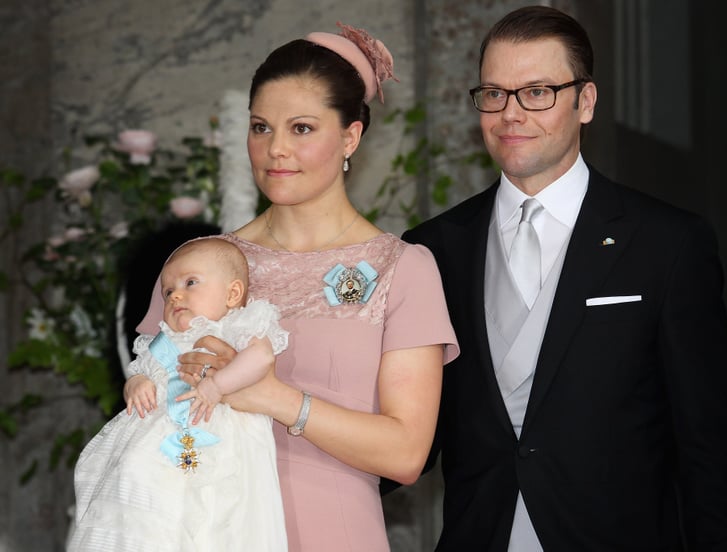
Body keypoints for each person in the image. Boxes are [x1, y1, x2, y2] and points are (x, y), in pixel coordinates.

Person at [402, 6, 727, 551]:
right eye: (494, 93)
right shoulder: (432, 248)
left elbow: (710, 450)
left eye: (537, 91)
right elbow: (413, 438)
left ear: (584, 102)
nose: (511, 114)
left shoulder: (667, 243)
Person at [136, 22, 459, 552]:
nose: (275, 149)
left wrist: (275, 398)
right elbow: (146, 415)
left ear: (351, 136)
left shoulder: (405, 269)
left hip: (336, 533)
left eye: (302, 128)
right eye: (261, 127)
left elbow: (406, 454)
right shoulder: (198, 266)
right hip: (205, 532)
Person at [69, 237, 289, 551]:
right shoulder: (165, 340)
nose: (176, 296)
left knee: (218, 509)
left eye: (190, 282)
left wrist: (217, 385)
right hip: (157, 441)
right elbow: (140, 370)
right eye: (168, 291)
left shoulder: (240, 324)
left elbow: (261, 358)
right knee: (135, 475)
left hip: (223, 433)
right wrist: (136, 383)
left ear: (233, 293)